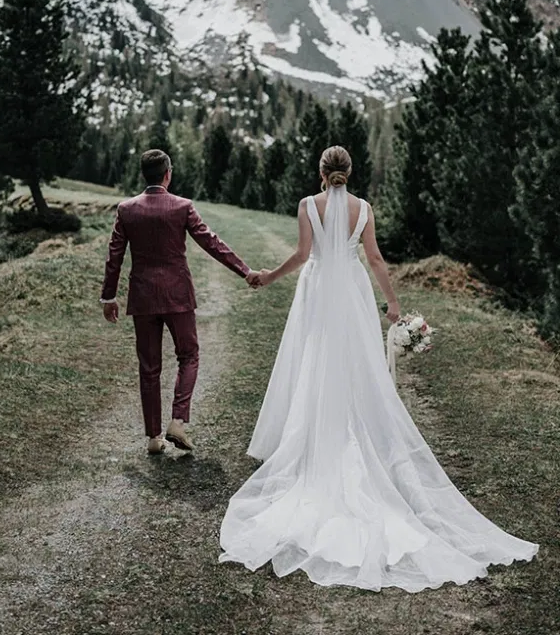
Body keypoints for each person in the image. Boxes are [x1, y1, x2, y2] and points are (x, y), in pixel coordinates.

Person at [219, 146, 538, 591]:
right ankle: (354, 429)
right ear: (350, 173)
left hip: (318, 290)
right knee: (354, 363)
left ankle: (318, 435)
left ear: (320, 171)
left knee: (317, 359)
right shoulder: (363, 208)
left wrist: (268, 276)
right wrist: (392, 303)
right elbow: (374, 260)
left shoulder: (307, 205)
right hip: (350, 292)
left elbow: (303, 253)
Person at [100, 149, 260, 454]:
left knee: (149, 366)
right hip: (178, 295)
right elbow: (211, 243)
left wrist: (109, 296)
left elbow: (115, 256)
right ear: (168, 174)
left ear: (144, 176)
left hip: (143, 296)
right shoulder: (182, 207)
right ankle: (178, 420)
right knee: (189, 355)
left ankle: (152, 438)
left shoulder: (126, 209)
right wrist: (245, 271)